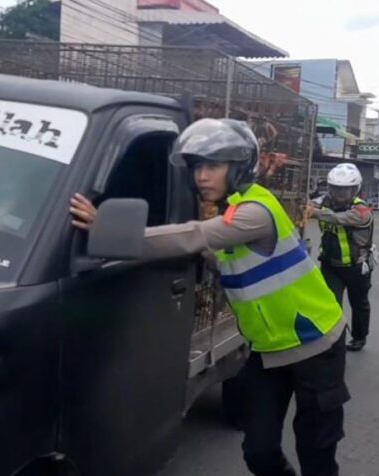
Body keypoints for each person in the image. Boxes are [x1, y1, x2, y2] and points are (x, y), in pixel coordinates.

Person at [71, 118, 349, 476]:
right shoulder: (233, 211)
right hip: (267, 350)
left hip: (316, 344)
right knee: (258, 451)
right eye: (197, 166)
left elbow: (194, 236)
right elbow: (224, 261)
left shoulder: (256, 211)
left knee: (316, 452)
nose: (201, 176)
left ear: (239, 167)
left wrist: (109, 229)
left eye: (213, 166)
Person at [307, 163, 374, 352]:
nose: (340, 194)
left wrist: (315, 212)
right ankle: (333, 341)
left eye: (345, 190)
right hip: (330, 265)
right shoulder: (324, 201)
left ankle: (359, 337)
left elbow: (339, 218)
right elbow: (309, 204)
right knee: (331, 304)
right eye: (336, 189)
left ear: (355, 189)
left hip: (356, 267)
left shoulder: (361, 210)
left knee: (359, 303)